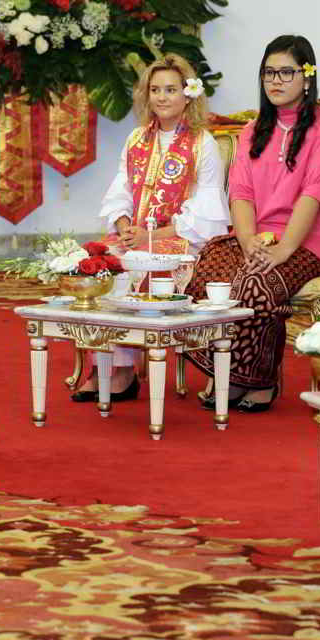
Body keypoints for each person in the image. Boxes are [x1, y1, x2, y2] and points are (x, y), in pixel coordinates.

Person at [184, 35, 320, 412]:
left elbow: (314, 194)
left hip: (316, 237)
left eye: (286, 73)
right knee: (212, 270)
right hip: (259, 234)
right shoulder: (253, 130)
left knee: (257, 281)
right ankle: (226, 371)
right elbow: (241, 194)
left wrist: (284, 249)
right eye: (268, 73)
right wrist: (247, 241)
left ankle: (257, 380)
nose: (275, 81)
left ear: (307, 79)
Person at [73, 53, 230, 402]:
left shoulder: (202, 142)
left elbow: (207, 211)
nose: (162, 97)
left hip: (180, 240)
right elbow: (121, 190)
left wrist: (151, 236)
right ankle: (105, 362)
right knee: (101, 262)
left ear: (188, 94)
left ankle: (123, 369)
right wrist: (125, 225)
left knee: (140, 265)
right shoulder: (136, 139)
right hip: (136, 237)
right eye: (155, 89)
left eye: (171, 89)